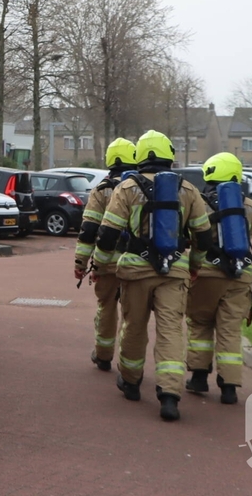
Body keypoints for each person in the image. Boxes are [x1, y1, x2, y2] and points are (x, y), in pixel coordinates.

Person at [94, 130, 213, 422]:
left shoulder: (127, 188)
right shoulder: (188, 189)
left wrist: (98, 263)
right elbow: (203, 236)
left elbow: (108, 234)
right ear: (169, 156)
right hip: (174, 272)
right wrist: (194, 265)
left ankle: (131, 382)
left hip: (135, 272)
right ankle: (170, 395)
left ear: (141, 156)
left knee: (134, 326)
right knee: (171, 330)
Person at [186, 153, 252, 405]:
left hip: (204, 275)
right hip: (240, 277)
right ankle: (229, 388)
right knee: (230, 330)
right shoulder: (248, 205)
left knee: (200, 325)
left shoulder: (199, 203)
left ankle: (198, 378)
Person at [73, 138, 138, 372]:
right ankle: (131, 365)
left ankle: (103, 355)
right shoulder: (141, 187)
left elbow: (89, 229)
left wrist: (81, 263)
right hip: (138, 263)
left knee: (107, 307)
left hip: (107, 262)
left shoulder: (102, 189)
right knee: (133, 315)